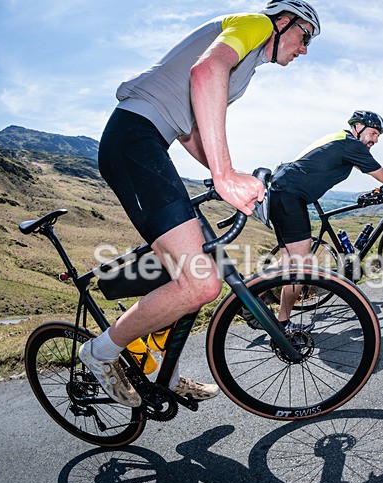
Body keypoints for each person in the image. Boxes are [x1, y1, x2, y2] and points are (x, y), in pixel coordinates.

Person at [79, 0, 322, 407]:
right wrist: (225, 175)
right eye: (304, 36)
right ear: (283, 22)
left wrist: (224, 175)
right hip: (133, 139)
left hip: (149, 142)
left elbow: (191, 131)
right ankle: (100, 353)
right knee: (202, 283)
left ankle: (162, 370)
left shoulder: (244, 71)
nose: (304, 49)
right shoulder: (254, 23)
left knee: (194, 277)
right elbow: (205, 72)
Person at [267, 110, 383, 326]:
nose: (375, 140)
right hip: (289, 195)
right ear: (358, 127)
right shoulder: (350, 144)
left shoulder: (344, 142)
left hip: (281, 192)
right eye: (373, 133)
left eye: (378, 137)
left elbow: (371, 167)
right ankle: (281, 323)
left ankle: (249, 296)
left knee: (290, 261)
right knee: (301, 265)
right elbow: (379, 173)